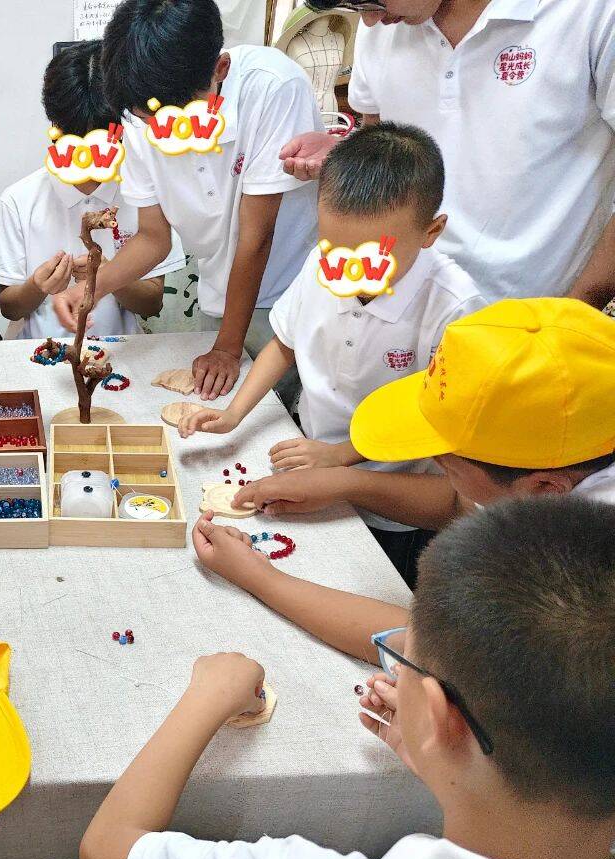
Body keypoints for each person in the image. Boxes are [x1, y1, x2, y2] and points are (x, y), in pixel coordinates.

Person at [82, 496, 615, 859]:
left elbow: (107, 853)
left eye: (402, 657)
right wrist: (445, 758)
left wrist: (209, 696)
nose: (392, 659)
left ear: (438, 717)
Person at [194, 297, 615, 661]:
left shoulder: (583, 572)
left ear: (545, 488)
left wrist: (258, 576)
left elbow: (435, 651)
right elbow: (461, 505)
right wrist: (345, 484)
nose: (431, 461)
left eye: (444, 461)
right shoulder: (567, 463)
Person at [180, 123, 484, 585]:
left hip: (392, 500)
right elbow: (284, 344)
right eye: (333, 251)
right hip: (306, 457)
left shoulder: (455, 309)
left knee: (367, 585)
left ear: (431, 232)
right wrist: (233, 414)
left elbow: (434, 423)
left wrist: (341, 457)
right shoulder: (321, 267)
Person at [53, 0, 322, 401]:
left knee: (279, 413)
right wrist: (94, 288)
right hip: (222, 295)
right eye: (149, 119)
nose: (162, 131)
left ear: (220, 69)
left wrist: (227, 348)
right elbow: (153, 238)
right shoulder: (138, 117)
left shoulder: (272, 87)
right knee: (212, 404)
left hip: (291, 288)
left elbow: (256, 238)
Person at [281, 0, 615, 310]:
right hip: (400, 306)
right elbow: (381, 139)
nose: (369, 19)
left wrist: (573, 313)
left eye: (372, 0)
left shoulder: (591, 12)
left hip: (529, 318)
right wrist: (351, 156)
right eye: (355, 5)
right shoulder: (382, 27)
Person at [0, 41, 185, 339]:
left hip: (120, 350)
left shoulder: (143, 192)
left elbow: (152, 302)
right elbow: (9, 307)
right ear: (55, 126)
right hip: (36, 348)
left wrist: (110, 276)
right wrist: (37, 286)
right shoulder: (19, 200)